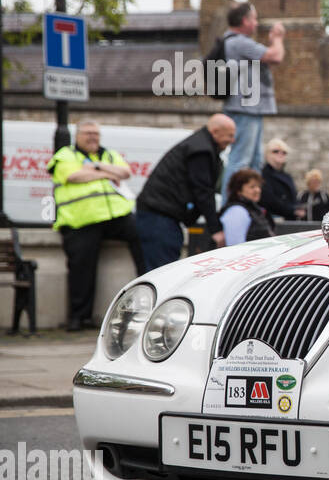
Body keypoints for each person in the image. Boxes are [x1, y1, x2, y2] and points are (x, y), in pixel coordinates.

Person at [47, 120, 147, 331]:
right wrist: (108, 173)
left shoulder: (108, 154)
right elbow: (73, 176)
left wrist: (96, 167)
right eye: (88, 133)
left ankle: (147, 289)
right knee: (82, 268)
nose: (93, 137)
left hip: (116, 215)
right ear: (77, 135)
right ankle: (79, 317)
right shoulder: (66, 154)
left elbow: (126, 172)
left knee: (146, 236)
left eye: (96, 134)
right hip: (81, 219)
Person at [135, 114, 235, 270]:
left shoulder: (200, 145)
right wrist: (215, 230)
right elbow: (203, 191)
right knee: (163, 272)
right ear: (215, 131)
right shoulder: (201, 149)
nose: (232, 140)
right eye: (229, 135)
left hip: (160, 215)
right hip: (159, 218)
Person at [219, 2, 285, 195]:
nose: (256, 24)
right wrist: (277, 38)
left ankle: (250, 204)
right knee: (240, 161)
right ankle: (230, 206)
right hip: (244, 108)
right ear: (244, 20)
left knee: (254, 161)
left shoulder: (235, 42)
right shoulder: (238, 42)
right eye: (254, 19)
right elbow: (275, 56)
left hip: (250, 108)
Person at [219, 169, 274, 245]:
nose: (258, 190)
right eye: (252, 187)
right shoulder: (236, 211)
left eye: (259, 186)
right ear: (238, 190)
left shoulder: (254, 208)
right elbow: (235, 247)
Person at [260, 138, 303, 221]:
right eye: (275, 151)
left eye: (284, 152)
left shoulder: (287, 176)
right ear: (267, 154)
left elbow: (293, 197)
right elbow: (269, 200)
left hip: (289, 220)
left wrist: (298, 208)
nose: (280, 154)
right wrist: (292, 210)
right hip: (273, 221)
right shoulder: (263, 175)